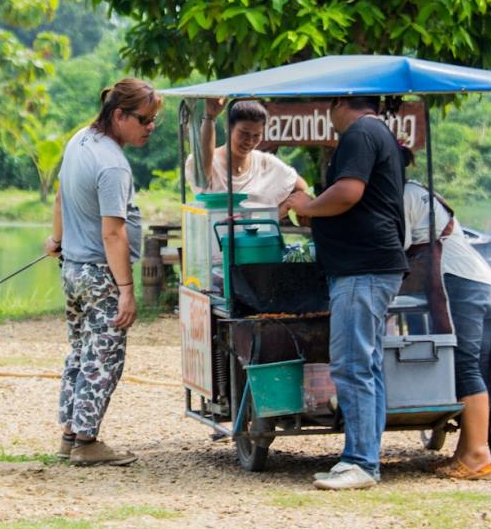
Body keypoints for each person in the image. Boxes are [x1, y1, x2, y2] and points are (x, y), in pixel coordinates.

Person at [285, 96, 407, 490]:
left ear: (341, 102)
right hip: (369, 267)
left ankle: (360, 461)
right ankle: (365, 458)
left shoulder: (360, 132)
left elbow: (348, 193)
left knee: (352, 365)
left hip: (363, 268)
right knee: (365, 365)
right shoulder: (377, 132)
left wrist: (307, 204)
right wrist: (315, 210)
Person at [43, 77, 162, 467]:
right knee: (105, 357)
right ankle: (87, 442)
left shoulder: (79, 140)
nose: (150, 127)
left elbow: (61, 197)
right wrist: (126, 289)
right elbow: (113, 233)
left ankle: (70, 435)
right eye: (144, 119)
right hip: (100, 275)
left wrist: (57, 240)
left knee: (80, 352)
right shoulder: (112, 165)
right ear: (119, 115)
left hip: (73, 270)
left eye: (154, 120)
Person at [400, 148, 491, 480]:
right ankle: (467, 451)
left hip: (459, 281)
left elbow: (395, 246)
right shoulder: (420, 191)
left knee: (462, 363)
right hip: (481, 281)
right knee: (474, 365)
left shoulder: (404, 195)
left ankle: (476, 454)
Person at [184, 97, 309, 216]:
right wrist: (210, 117)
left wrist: (277, 214)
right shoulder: (206, 164)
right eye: (244, 133)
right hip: (215, 237)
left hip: (255, 238)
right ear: (228, 127)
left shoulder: (266, 163)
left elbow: (301, 187)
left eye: (257, 135)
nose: (249, 141)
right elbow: (202, 174)